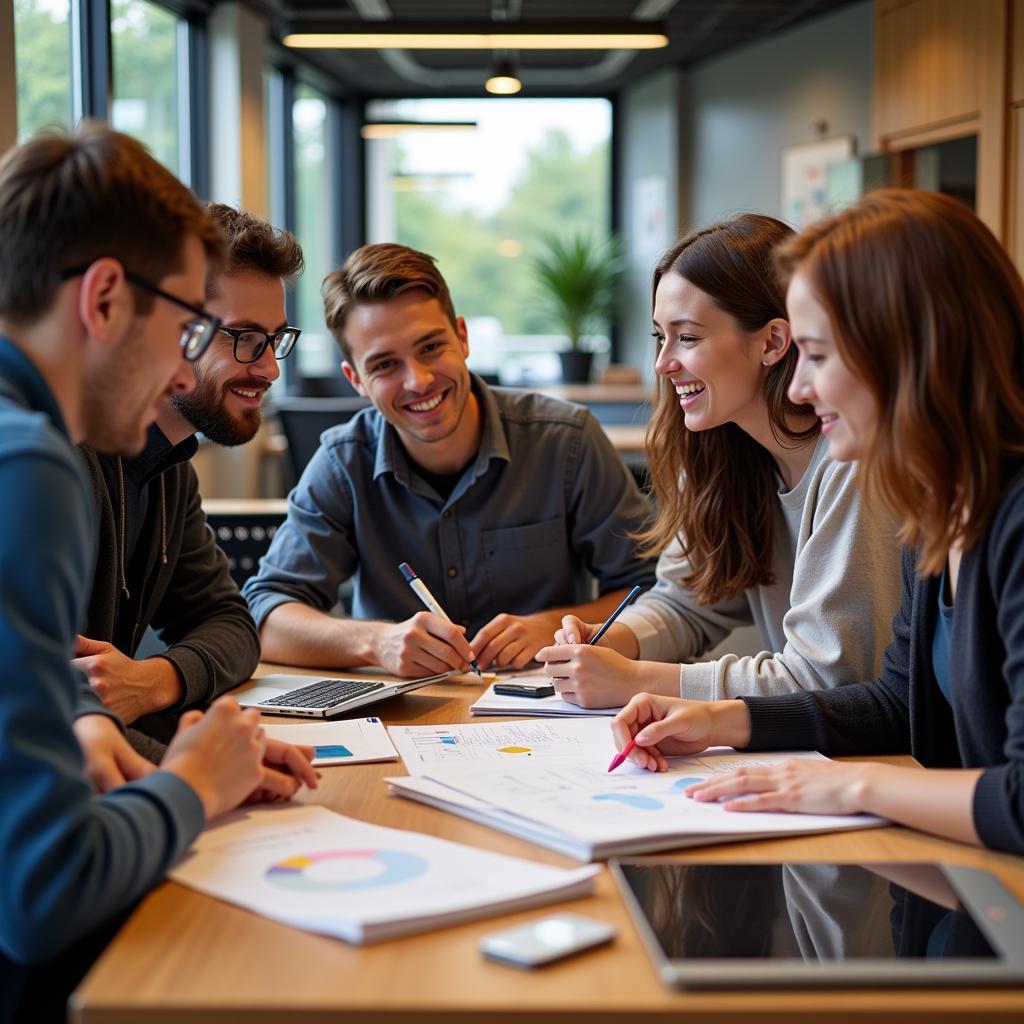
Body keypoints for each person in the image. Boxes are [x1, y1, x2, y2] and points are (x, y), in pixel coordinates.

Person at [0, 124, 315, 1023]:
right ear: (104, 298)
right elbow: (43, 891)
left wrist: (92, 730)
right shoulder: (32, 466)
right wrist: (193, 785)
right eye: (187, 328)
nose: (186, 364)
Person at [611, 189, 1024, 855]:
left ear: (909, 352)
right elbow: (895, 703)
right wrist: (721, 719)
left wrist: (854, 788)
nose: (799, 387)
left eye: (820, 356)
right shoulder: (942, 511)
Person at [536, 214, 901, 707]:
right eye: (658, 338)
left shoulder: (850, 462)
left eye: (686, 337)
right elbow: (687, 603)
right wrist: (608, 640)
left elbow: (829, 676)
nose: (664, 363)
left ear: (773, 341)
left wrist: (634, 679)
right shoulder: (723, 447)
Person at [243, 242, 656, 676]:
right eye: (384, 365)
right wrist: (377, 642)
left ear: (462, 337)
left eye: (430, 348)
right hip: (404, 719)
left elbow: (650, 592)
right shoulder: (344, 462)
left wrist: (554, 626)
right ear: (356, 381)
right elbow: (266, 616)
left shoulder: (566, 441)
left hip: (551, 710)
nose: (417, 381)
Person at [74, 203, 304, 765]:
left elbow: (230, 625)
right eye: (245, 337)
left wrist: (158, 679)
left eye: (276, 339)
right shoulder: (59, 460)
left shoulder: (170, 466)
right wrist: (201, 770)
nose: (270, 368)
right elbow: (52, 705)